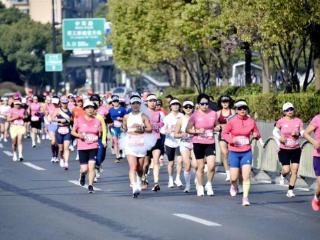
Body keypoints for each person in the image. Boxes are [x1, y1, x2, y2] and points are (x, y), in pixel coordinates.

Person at [222, 100, 261, 206]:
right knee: (233, 178)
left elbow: (256, 133)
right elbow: (224, 134)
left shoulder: (251, 121)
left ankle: (245, 198)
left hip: (246, 152)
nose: (242, 110)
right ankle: (234, 186)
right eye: (240, 108)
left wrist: (256, 135)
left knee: (246, 176)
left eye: (244, 108)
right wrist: (231, 140)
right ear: (236, 110)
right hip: (234, 152)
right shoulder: (232, 121)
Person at [187, 93, 219, 197]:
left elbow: (217, 125)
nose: (205, 106)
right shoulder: (194, 115)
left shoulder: (213, 114)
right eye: (202, 104)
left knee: (212, 166)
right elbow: (187, 129)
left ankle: (209, 184)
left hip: (210, 142)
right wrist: (196, 130)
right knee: (200, 167)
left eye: (206, 103)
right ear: (198, 104)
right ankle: (200, 186)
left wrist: (218, 127)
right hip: (198, 142)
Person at [121, 95, 154, 197]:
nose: (135, 105)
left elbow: (150, 129)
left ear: (140, 105)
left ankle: (140, 179)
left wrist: (142, 129)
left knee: (140, 168)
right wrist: (124, 128)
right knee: (133, 166)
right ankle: (134, 186)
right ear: (130, 105)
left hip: (141, 143)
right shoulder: (126, 117)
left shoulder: (144, 116)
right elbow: (124, 128)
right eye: (133, 103)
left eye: (137, 103)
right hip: (130, 143)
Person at [273, 102, 304, 198]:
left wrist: (298, 133)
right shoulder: (281, 121)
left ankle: (290, 190)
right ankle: (282, 175)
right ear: (284, 112)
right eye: (287, 110)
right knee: (286, 170)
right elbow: (274, 131)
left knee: (294, 170)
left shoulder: (298, 121)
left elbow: (303, 133)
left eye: (291, 109)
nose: (290, 111)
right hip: (284, 149)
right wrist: (279, 138)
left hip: (296, 149)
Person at [72, 100, 101, 193]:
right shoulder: (79, 120)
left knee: (92, 167)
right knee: (84, 169)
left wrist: (98, 137)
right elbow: (73, 131)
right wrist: (79, 135)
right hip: (82, 147)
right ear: (84, 109)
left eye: (91, 107)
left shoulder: (97, 121)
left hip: (93, 146)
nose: (90, 109)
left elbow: (99, 133)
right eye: (87, 108)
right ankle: (82, 175)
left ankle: (90, 185)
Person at [175, 100, 196, 193]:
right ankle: (187, 185)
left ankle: (197, 180)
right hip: (184, 144)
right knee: (187, 165)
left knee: (196, 165)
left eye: (190, 107)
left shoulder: (197, 118)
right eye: (186, 107)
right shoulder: (180, 120)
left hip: (195, 143)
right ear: (183, 109)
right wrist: (182, 135)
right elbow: (175, 134)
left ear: (193, 108)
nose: (188, 109)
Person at [144, 94, 164, 191]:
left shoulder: (159, 113)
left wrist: (156, 125)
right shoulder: (143, 113)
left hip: (156, 139)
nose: (153, 103)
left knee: (156, 161)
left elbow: (162, 123)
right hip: (146, 140)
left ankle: (156, 183)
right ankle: (144, 178)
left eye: (154, 101)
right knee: (146, 163)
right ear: (147, 102)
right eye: (150, 101)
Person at [163, 99, 184, 188]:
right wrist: (167, 130)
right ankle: (170, 179)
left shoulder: (182, 116)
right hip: (169, 142)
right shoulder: (167, 117)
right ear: (170, 107)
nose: (175, 106)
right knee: (171, 163)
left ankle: (178, 178)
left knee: (180, 160)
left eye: (177, 104)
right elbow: (162, 129)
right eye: (173, 104)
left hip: (180, 141)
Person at [303, 113, 320, 211]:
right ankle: (316, 197)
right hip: (318, 156)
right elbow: (305, 133)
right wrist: (314, 142)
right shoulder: (317, 119)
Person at [216, 95, 235, 181]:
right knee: (225, 153)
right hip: (222, 135)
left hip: (232, 135)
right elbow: (215, 124)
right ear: (220, 103)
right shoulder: (218, 113)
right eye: (223, 102)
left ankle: (233, 170)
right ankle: (228, 173)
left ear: (229, 102)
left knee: (232, 153)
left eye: (226, 101)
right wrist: (219, 126)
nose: (225, 103)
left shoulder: (233, 112)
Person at [54, 96, 73, 170]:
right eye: (63, 103)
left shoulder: (70, 110)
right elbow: (51, 118)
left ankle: (66, 162)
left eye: (66, 103)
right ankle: (61, 158)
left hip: (67, 131)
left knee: (66, 148)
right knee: (61, 149)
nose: (64, 104)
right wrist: (59, 120)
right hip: (59, 131)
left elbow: (72, 120)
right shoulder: (58, 110)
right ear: (60, 103)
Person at [109, 95, 127, 162]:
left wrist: (121, 119)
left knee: (120, 141)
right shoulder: (110, 110)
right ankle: (117, 156)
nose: (115, 103)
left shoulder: (122, 109)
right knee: (115, 141)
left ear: (118, 101)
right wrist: (110, 122)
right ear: (112, 102)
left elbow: (126, 118)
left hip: (121, 127)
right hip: (113, 127)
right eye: (114, 101)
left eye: (116, 101)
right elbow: (109, 119)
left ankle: (121, 151)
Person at [46, 96, 60, 163]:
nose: (55, 104)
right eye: (54, 102)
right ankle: (53, 156)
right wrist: (47, 123)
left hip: (58, 125)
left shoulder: (60, 108)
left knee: (57, 143)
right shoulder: (49, 106)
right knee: (53, 141)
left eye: (56, 102)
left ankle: (56, 156)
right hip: (51, 125)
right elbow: (47, 116)